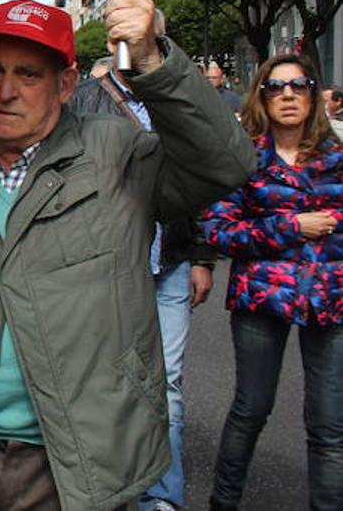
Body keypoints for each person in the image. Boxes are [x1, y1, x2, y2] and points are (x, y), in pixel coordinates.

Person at [0, 0, 255, 511]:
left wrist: (152, 60)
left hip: (77, 462)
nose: (6, 90)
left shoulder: (119, 154)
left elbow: (226, 163)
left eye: (28, 74)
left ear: (66, 84)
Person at [69, 37, 216, 511]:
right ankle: (101, 488)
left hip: (168, 264)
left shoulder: (173, 100)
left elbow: (202, 179)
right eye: (124, 39)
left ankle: (160, 498)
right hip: (106, 267)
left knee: (166, 385)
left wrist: (201, 257)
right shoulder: (85, 101)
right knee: (102, 379)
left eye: (142, 36)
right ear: (112, 45)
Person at [201, 53, 342, 510]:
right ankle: (223, 504)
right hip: (262, 297)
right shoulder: (244, 156)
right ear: (261, 94)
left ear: (313, 95)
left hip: (330, 298)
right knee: (251, 409)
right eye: (276, 86)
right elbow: (219, 230)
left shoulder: (336, 158)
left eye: (299, 85)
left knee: (329, 426)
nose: (287, 94)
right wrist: (291, 227)